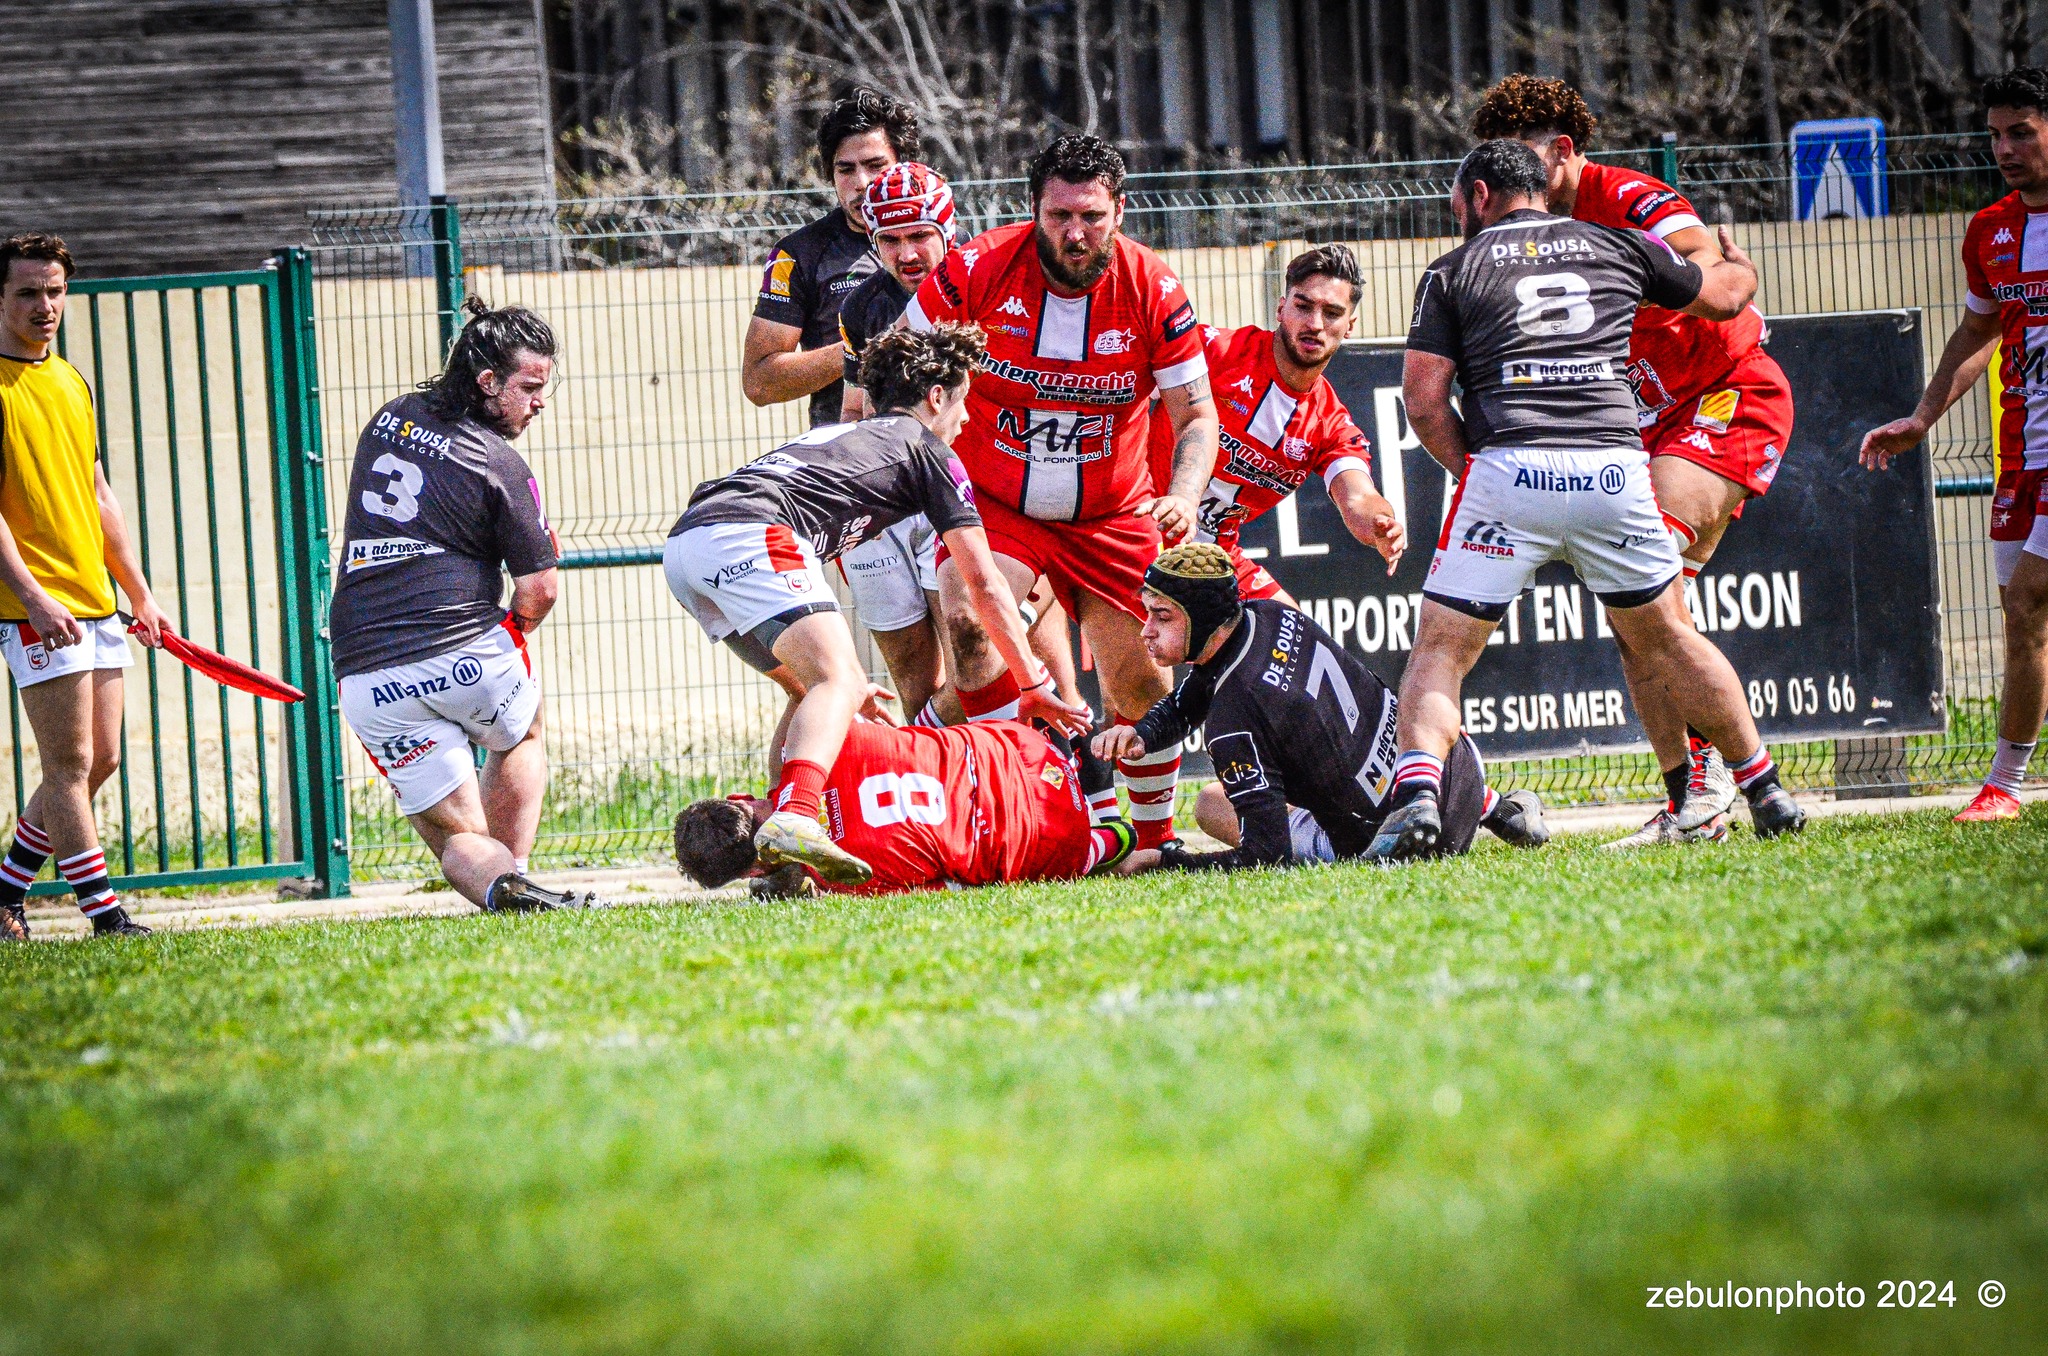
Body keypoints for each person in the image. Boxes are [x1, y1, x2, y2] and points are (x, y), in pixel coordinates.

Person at [1374, 139, 1804, 861]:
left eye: (1457, 205)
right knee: (1669, 635)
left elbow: (1423, 401)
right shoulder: (1616, 243)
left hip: (1510, 467)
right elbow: (1723, 295)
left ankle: (1417, 797)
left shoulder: (1452, 270)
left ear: (1479, 195)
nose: (1457, 218)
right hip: (1613, 469)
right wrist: (1744, 267)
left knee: (1442, 650)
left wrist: (1474, 468)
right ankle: (1767, 789)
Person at [665, 324, 1089, 887]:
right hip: (750, 534)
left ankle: (786, 865)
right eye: (963, 403)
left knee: (811, 690)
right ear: (937, 397)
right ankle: (795, 815)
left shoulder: (854, 435)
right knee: (838, 681)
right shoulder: (926, 448)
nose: (964, 420)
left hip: (686, 546)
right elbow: (984, 586)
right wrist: (1032, 683)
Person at [906, 133, 1221, 850]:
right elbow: (901, 359)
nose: (1074, 234)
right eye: (1058, 217)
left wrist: (1184, 493)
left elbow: (1196, 413)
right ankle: (994, 813)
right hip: (998, 504)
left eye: (1091, 217)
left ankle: (1148, 842)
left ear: (1120, 211)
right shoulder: (977, 267)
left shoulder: (1155, 288)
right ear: (1033, 212)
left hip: (1112, 513)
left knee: (1140, 686)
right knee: (971, 630)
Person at [328, 299, 587, 914]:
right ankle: (521, 873)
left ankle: (509, 893)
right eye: (529, 387)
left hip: (365, 670)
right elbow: (539, 589)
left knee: (461, 840)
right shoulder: (501, 463)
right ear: (487, 382)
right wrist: (512, 630)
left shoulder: (388, 418)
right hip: (465, 653)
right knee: (522, 731)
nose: (539, 402)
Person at [1093, 544, 1547, 872]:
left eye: (1163, 616)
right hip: (1454, 771)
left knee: (1212, 804)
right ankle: (1495, 806)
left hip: (1401, 842)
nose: (1145, 631)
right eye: (1147, 612)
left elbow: (1265, 856)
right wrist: (1146, 733)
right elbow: (1199, 688)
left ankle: (1441, 818)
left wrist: (1167, 860)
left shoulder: (1233, 719)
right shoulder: (1269, 614)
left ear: (1205, 620)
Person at [1861, 67, 2048, 821]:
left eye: (2022, 132)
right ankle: (2008, 783)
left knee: (2032, 597)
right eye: (1996, 134)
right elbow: (1979, 329)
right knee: (2021, 612)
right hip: (2023, 455)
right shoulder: (1991, 230)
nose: (2004, 148)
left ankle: (2003, 786)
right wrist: (1923, 416)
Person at [0, 232, 168, 939]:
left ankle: (2, 892)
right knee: (67, 765)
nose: (46, 307)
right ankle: (107, 917)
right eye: (29, 293)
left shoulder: (72, 380)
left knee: (102, 760)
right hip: (35, 606)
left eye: (55, 291)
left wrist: (139, 590)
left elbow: (99, 494)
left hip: (95, 599)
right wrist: (36, 599)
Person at [1144, 243, 1406, 601]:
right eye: (1303, 306)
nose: (1314, 324)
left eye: (1331, 313)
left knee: (1297, 641)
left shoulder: (1330, 424)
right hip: (1138, 527)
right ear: (1282, 308)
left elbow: (1359, 497)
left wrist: (1381, 525)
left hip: (1210, 559)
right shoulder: (1213, 351)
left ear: (1349, 326)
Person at [672, 715, 1133, 895]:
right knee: (931, 732)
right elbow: (817, 693)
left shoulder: (846, 881)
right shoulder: (817, 738)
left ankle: (1109, 823)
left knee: (1108, 849)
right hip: (1024, 747)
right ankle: (1089, 778)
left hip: (1050, 835)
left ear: (752, 871)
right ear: (739, 798)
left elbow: (953, 890)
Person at [741, 87, 913, 428]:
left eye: (875, 166)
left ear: (905, 165)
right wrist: (859, 347)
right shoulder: (799, 255)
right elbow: (759, 382)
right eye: (845, 170)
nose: (861, 182)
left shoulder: (952, 243)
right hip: (845, 459)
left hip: (941, 451)